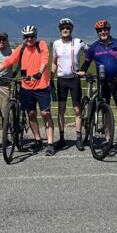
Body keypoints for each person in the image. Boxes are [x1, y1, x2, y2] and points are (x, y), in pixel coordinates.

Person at [0, 25, 54, 156]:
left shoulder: (41, 45)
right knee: (31, 114)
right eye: (26, 37)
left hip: (41, 86)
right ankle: (37, 140)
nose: (29, 39)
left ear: (36, 36)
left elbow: (45, 59)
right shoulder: (21, 48)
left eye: (31, 36)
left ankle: (50, 143)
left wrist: (39, 72)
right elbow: (9, 60)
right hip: (26, 87)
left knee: (45, 113)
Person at [78, 20, 117, 155]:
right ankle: (108, 140)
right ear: (97, 33)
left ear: (109, 30)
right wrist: (82, 72)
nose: (103, 32)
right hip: (103, 83)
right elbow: (86, 63)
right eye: (100, 31)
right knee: (105, 112)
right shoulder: (94, 48)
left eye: (105, 30)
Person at [50, 18, 88, 151]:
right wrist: (51, 79)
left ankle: (78, 138)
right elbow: (54, 62)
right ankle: (61, 138)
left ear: (71, 29)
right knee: (61, 110)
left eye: (67, 28)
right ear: (60, 30)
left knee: (78, 110)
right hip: (61, 80)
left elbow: (90, 54)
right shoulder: (56, 44)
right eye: (62, 28)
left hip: (74, 79)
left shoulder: (78, 42)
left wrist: (84, 68)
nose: (65, 30)